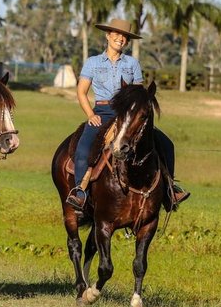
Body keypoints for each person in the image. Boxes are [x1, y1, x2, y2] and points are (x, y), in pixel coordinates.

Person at [65, 18, 190, 211]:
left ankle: (170, 190)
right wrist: (90, 114)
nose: (120, 39)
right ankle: (80, 193)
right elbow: (81, 92)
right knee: (83, 149)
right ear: (108, 35)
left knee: (166, 144)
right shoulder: (93, 62)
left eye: (124, 36)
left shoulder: (132, 64)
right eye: (116, 34)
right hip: (102, 112)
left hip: (129, 115)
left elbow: (139, 94)